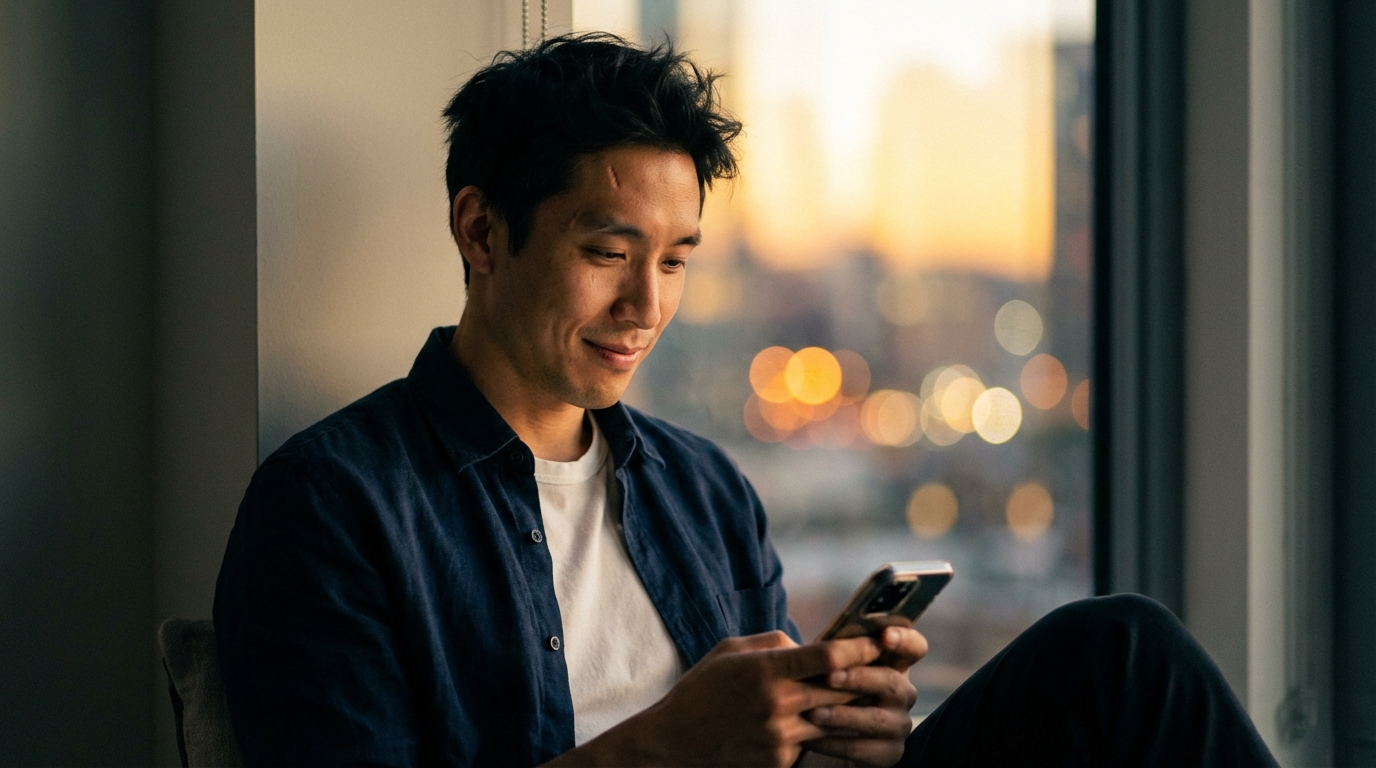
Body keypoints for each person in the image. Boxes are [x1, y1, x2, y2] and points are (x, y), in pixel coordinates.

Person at [214, 33, 1277, 767]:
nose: (645, 305)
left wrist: (840, 737)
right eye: (605, 252)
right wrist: (674, 745)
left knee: (1122, 656)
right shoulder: (331, 506)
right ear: (481, 231)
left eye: (676, 261)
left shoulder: (698, 487)